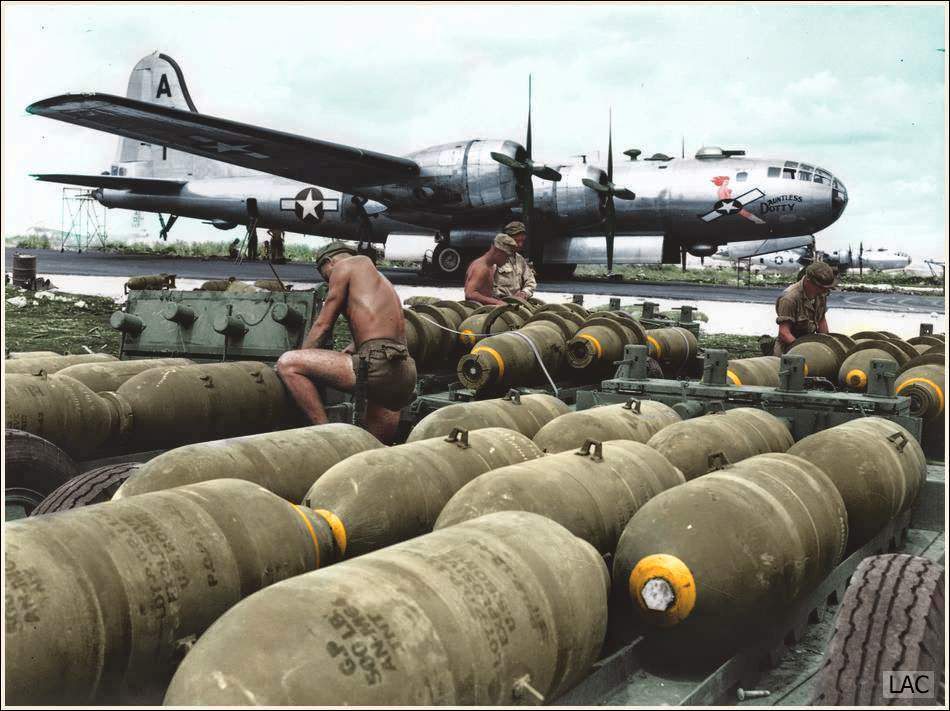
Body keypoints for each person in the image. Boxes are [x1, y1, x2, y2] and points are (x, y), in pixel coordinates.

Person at [276, 242, 416, 443]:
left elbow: (323, 325)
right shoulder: (379, 279)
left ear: (329, 262)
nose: (328, 280)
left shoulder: (344, 267)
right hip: (403, 373)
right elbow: (372, 334)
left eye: (325, 275)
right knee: (371, 449)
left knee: (288, 363)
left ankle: (327, 435)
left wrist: (306, 358)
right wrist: (341, 355)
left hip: (377, 366)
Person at [772, 261, 837, 355]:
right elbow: (784, 333)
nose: (824, 292)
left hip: (809, 344)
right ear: (808, 281)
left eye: (827, 289)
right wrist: (804, 351)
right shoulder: (789, 298)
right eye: (821, 288)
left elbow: (821, 320)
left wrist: (826, 345)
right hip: (789, 350)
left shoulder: (820, 293)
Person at [463, 235, 513, 306]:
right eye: (506, 256)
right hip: (476, 313)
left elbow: (485, 293)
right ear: (497, 251)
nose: (507, 260)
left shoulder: (491, 266)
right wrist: (497, 302)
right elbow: (470, 293)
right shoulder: (481, 267)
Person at [493, 221, 537, 300]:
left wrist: (524, 293)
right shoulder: (495, 258)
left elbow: (530, 281)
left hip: (517, 303)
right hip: (499, 303)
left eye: (522, 241)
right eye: (517, 241)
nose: (520, 245)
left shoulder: (520, 259)